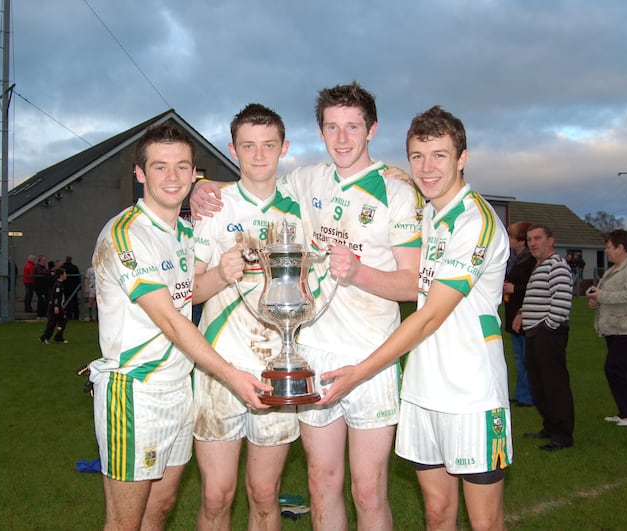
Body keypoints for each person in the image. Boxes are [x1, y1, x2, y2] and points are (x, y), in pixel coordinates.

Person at [192, 82, 423, 530]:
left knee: (370, 489)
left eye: (352, 127)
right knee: (319, 481)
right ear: (320, 133)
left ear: (371, 129)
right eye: (332, 127)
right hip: (310, 352)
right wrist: (200, 188)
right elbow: (254, 182)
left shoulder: (396, 192)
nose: (342, 138)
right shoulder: (306, 181)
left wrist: (359, 272)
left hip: (372, 355)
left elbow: (414, 286)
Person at [319, 106, 511, 530]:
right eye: (418, 156)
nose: (427, 167)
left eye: (440, 155)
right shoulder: (429, 213)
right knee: (437, 512)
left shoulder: (474, 220)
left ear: (462, 158)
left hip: (471, 393)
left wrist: (360, 372)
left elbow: (428, 318)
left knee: (485, 522)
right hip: (424, 389)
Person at [87, 123, 270, 530]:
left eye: (181, 167)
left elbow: (187, 294)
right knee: (125, 523)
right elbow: (170, 319)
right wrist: (230, 375)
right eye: (159, 167)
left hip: (177, 391)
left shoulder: (184, 233)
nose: (172, 178)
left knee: (162, 510)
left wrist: (222, 273)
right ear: (140, 173)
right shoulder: (126, 234)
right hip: (135, 393)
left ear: (193, 174)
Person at [192, 103, 303, 531]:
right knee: (216, 496)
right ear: (233, 149)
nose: (259, 155)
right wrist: (221, 273)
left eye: (268, 145)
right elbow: (192, 293)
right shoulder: (212, 208)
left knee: (264, 496)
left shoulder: (299, 212)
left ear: (284, 148)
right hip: (220, 367)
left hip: (277, 367)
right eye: (248, 146)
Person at [513, 224, 575, 451]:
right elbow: (539, 296)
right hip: (534, 332)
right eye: (529, 239)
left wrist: (547, 327)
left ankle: (562, 434)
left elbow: (561, 299)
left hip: (547, 334)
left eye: (537, 238)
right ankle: (550, 426)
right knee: (539, 385)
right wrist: (522, 314)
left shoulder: (557, 265)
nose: (532, 243)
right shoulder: (540, 266)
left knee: (554, 384)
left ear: (551, 240)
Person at [587, 229, 627, 427]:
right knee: (625, 368)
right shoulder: (616, 268)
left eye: (608, 247)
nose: (606, 251)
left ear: (620, 247)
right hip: (617, 328)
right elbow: (610, 293)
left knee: (614, 366)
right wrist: (597, 299)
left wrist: (602, 296)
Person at [503, 221, 536, 407]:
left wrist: (515, 288)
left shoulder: (531, 262)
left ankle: (528, 395)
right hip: (512, 311)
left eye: (511, 237)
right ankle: (520, 392)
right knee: (518, 357)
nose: (508, 240)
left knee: (526, 357)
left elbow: (536, 286)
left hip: (525, 313)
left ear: (520, 241)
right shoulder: (513, 260)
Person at [39, 267, 69, 344]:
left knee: (61, 321)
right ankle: (45, 337)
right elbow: (55, 296)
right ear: (61, 275)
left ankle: (58, 336)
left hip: (59, 306)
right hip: (56, 307)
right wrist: (56, 306)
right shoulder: (58, 285)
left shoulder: (60, 284)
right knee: (53, 323)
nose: (66, 275)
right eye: (65, 274)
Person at [62, 256, 81, 320]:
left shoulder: (63, 268)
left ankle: (68, 315)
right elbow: (78, 278)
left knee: (67, 301)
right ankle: (76, 315)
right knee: (75, 301)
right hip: (74, 287)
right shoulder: (74, 267)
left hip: (65, 287)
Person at [34, 255, 50, 319]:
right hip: (39, 287)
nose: (45, 262)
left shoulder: (43, 267)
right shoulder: (37, 267)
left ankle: (43, 314)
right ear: (40, 260)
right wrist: (48, 271)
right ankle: (40, 315)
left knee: (45, 300)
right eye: (44, 260)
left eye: (45, 260)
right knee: (42, 300)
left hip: (44, 287)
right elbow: (40, 273)